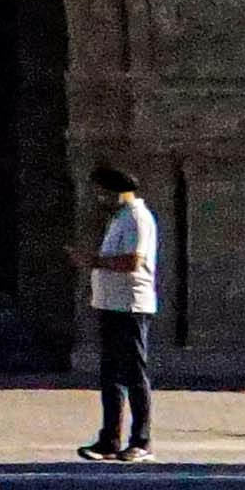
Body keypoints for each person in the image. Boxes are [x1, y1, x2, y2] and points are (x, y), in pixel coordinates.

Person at [79, 168, 161, 462]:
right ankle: (109, 439)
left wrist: (94, 261)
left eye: (102, 192)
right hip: (111, 304)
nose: (98, 198)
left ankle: (141, 440)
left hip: (130, 306)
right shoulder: (119, 218)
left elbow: (132, 261)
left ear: (117, 193)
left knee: (134, 374)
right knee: (111, 375)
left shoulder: (136, 218)